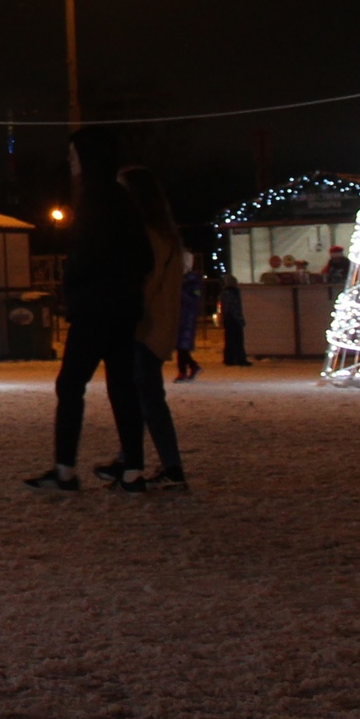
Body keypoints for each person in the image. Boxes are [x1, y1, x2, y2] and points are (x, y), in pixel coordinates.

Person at [25, 130, 150, 494]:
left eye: (74, 155)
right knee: (122, 386)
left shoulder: (96, 201)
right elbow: (145, 257)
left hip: (96, 309)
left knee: (70, 385)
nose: (71, 162)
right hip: (123, 309)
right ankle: (133, 470)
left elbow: (87, 258)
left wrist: (77, 284)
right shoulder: (123, 200)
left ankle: (65, 470)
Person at [109, 164, 190, 490]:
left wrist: (122, 310)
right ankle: (130, 457)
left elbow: (147, 281)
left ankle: (168, 465)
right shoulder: (163, 232)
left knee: (146, 396)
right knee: (142, 395)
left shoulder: (149, 235)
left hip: (145, 326)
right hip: (153, 325)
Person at [174, 251, 203, 382]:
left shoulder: (192, 282)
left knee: (181, 346)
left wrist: (179, 293)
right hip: (180, 317)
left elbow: (194, 300)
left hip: (187, 318)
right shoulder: (182, 280)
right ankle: (192, 367)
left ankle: (183, 372)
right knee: (181, 346)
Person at [218, 269, 251, 365]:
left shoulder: (224, 293)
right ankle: (240, 359)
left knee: (229, 340)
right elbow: (236, 307)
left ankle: (229, 359)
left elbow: (226, 307)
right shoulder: (234, 293)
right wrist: (240, 319)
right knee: (238, 340)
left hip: (228, 319)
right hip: (234, 319)